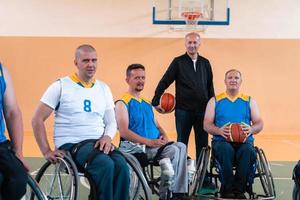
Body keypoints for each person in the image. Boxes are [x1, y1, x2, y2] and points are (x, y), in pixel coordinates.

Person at [32, 44, 130, 200]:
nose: (91, 64)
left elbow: (111, 121)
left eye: (94, 60)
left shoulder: (103, 88)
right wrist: (46, 151)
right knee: (105, 165)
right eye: (85, 60)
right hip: (71, 145)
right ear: (76, 63)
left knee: (122, 166)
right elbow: (37, 119)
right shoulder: (60, 86)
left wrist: (107, 137)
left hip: (98, 143)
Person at [115, 64, 188, 200]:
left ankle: (178, 193)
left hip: (155, 147)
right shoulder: (122, 103)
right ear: (127, 80)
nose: (140, 81)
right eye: (136, 77)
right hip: (136, 148)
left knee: (181, 147)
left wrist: (164, 137)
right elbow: (124, 132)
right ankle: (166, 194)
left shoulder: (147, 103)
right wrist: (149, 142)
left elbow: (158, 127)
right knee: (174, 151)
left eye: (143, 77)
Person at [151, 32, 215, 162]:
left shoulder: (205, 63)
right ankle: (182, 174)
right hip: (183, 111)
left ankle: (204, 177)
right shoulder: (178, 62)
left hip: (202, 111)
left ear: (199, 44)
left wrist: (213, 110)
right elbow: (165, 81)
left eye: (195, 42)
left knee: (202, 144)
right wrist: (155, 100)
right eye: (189, 43)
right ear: (185, 44)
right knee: (181, 144)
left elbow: (210, 87)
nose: (192, 45)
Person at [203, 69, 264, 199]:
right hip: (221, 141)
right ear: (225, 81)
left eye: (236, 78)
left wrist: (251, 130)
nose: (233, 80)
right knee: (226, 149)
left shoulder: (249, 101)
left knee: (247, 151)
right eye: (230, 78)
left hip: (244, 142)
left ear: (240, 81)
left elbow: (259, 123)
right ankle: (227, 187)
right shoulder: (215, 101)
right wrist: (219, 131)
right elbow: (206, 124)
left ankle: (240, 189)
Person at [0, 63, 29, 199]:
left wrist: (18, 153)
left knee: (18, 178)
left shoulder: (2, 71)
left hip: (1, 145)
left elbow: (12, 112)